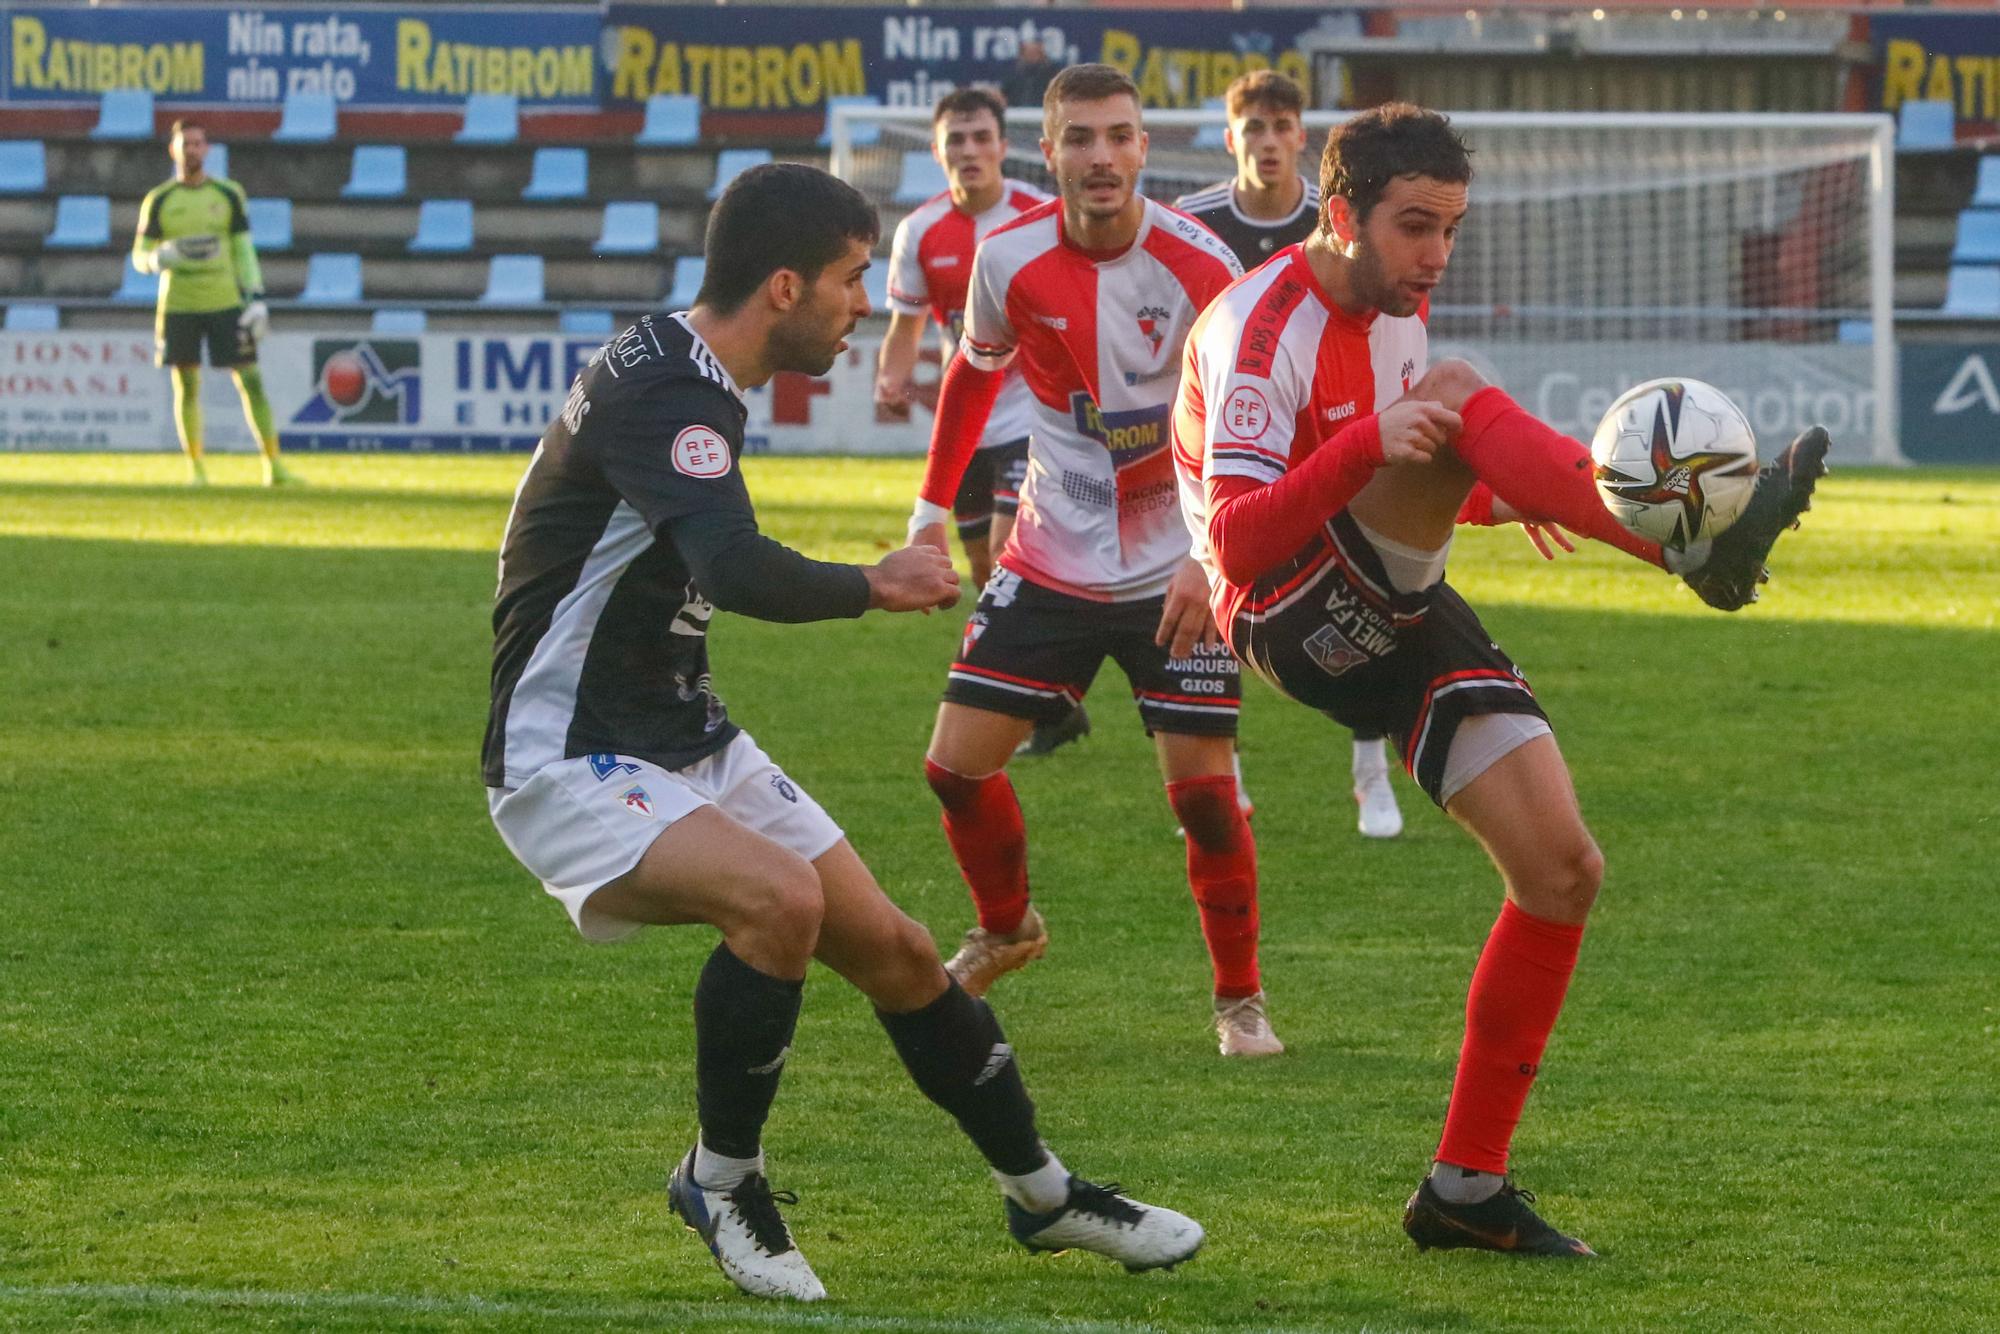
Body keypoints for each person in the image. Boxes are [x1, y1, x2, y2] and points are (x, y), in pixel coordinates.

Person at [484, 162, 1204, 1303]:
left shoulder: (686, 366)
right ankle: (720, 1179)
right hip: (564, 750)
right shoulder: (671, 392)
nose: (863, 301)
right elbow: (732, 566)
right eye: (849, 279)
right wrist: (874, 582)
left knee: (903, 953)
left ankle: (1044, 1194)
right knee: (779, 901)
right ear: (782, 286)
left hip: (676, 728)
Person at [1172, 103, 1828, 1255]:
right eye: (1413, 227)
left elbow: (1414, 461)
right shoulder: (1256, 325)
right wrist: (1387, 445)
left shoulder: (1392, 318)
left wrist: (1488, 488)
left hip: (1391, 604)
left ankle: (1463, 1188)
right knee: (1463, 389)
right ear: (1339, 216)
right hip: (1284, 614)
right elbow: (1233, 540)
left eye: (1450, 229)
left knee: (1560, 868)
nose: (1434, 256)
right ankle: (1698, 548)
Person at [905, 64, 1282, 1059]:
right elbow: (971, 375)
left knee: (1203, 797)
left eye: (1119, 136)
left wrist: (1214, 550)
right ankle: (1006, 923)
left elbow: (1245, 419)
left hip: (1178, 568)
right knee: (952, 768)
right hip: (1050, 553)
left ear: (1144, 151)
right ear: (1051, 151)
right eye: (1080, 138)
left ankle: (1239, 1000)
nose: (1101, 156)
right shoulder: (1008, 258)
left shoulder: (1202, 267)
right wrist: (922, 515)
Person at [1174, 70, 1403, 840]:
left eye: (1281, 127)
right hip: (1240, 447)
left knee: (1379, 596)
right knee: (1223, 595)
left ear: (1301, 136)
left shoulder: (1347, 220)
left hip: (1341, 441)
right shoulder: (1196, 225)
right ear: (1231, 137)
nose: (1268, 142)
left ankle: (1371, 775)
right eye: (1253, 129)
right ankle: (1227, 774)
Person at [874, 87, 1090, 760]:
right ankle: (1054, 701)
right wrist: (889, 375)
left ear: (1002, 146)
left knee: (1004, 552)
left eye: (980, 138)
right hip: (967, 421)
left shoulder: (1038, 216)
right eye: (955, 140)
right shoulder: (920, 231)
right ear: (937, 152)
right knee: (975, 566)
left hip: (1038, 415)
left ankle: (1024, 696)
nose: (968, 151)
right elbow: (905, 328)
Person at [131, 118, 292, 487]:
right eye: (185, 144)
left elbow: (243, 250)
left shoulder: (229, 194)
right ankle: (197, 470)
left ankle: (274, 466)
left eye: (199, 143)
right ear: (173, 150)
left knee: (251, 380)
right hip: (179, 305)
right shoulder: (159, 200)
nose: (192, 150)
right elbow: (139, 255)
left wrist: (256, 297)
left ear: (208, 149)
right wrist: (156, 259)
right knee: (186, 385)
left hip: (225, 302)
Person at [1000, 40, 1061, 116]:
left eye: (1035, 54)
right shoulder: (1013, 75)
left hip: (1043, 114)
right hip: (1016, 115)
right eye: (1028, 53)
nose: (1032, 57)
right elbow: (1003, 95)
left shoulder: (1052, 75)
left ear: (1042, 55)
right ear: (1022, 55)